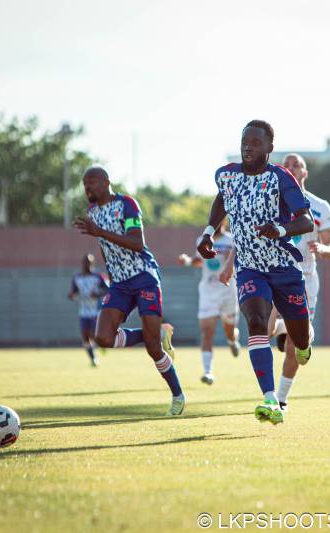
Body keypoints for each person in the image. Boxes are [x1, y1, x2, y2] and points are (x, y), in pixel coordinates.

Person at [198, 120, 314, 425]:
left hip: (285, 268)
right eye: (244, 142)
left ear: (269, 148)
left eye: (255, 143)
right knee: (257, 321)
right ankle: (270, 398)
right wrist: (209, 231)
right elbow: (223, 197)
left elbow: (305, 222)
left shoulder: (281, 178)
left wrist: (279, 229)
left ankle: (304, 346)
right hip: (250, 268)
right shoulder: (227, 175)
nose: (248, 147)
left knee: (299, 339)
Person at [73, 167, 185, 416]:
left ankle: (178, 396)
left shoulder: (127, 204)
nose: (87, 188)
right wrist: (111, 274)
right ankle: (154, 333)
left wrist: (99, 231)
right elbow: (104, 246)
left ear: (106, 183)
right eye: (84, 184)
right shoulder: (93, 212)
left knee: (154, 349)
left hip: (144, 276)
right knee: (102, 338)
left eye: (91, 183)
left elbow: (137, 243)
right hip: (120, 284)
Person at [267, 153, 330, 411]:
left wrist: (322, 247)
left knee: (298, 347)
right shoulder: (270, 204)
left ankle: (282, 398)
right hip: (275, 274)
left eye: (297, 165)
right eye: (286, 164)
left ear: (305, 173)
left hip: (305, 279)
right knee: (264, 330)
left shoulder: (320, 207)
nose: (291, 168)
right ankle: (270, 396)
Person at [177, 221, 241, 385]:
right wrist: (188, 261)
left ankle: (232, 340)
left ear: (225, 222)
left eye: (219, 221)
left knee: (229, 330)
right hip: (208, 291)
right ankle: (208, 372)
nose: (216, 225)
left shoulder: (232, 239)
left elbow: (242, 261)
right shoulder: (202, 240)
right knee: (207, 332)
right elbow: (200, 261)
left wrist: (231, 259)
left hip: (228, 290)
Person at [68, 254, 108, 367]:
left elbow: (108, 289)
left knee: (93, 334)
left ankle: (102, 344)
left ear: (93, 264)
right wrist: (71, 295)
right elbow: (73, 292)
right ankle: (93, 359)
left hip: (96, 310)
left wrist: (98, 294)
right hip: (83, 311)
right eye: (85, 262)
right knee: (85, 337)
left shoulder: (98, 276)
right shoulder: (77, 278)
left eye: (89, 262)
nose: (86, 265)